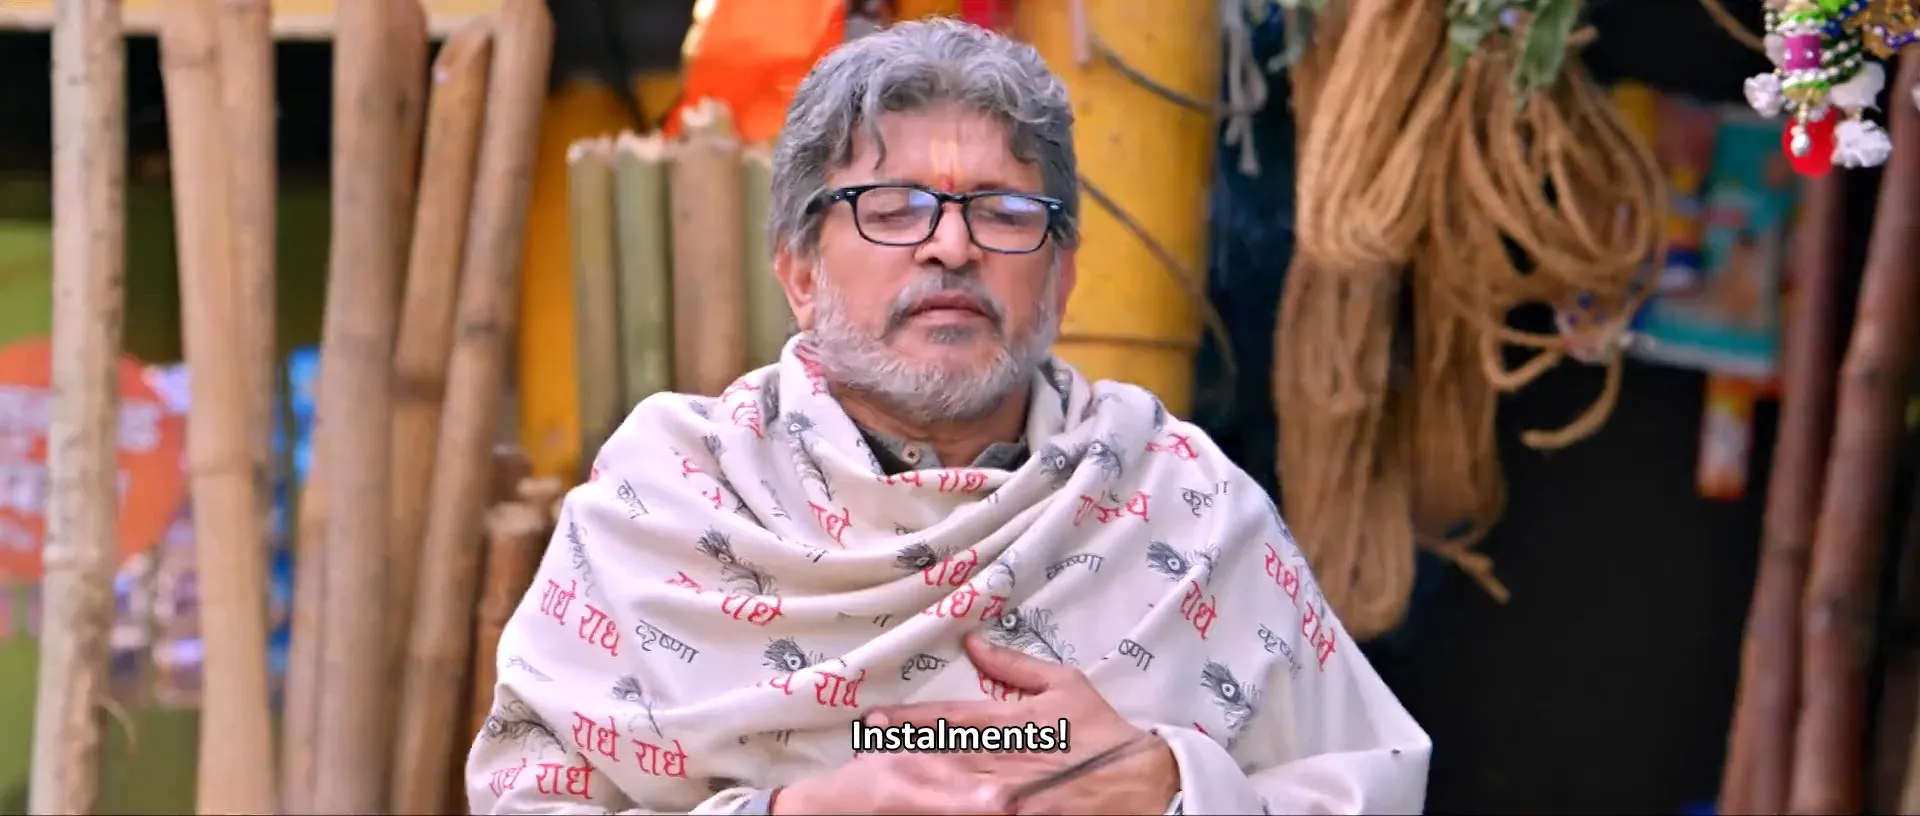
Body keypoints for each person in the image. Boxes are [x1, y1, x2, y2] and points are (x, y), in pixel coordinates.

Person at [465, 17, 1430, 815]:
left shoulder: (1185, 503)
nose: (953, 246)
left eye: (1004, 211)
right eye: (893, 207)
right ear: (799, 272)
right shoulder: (667, 502)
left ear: (1061, 278)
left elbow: (1373, 783)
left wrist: (1175, 787)